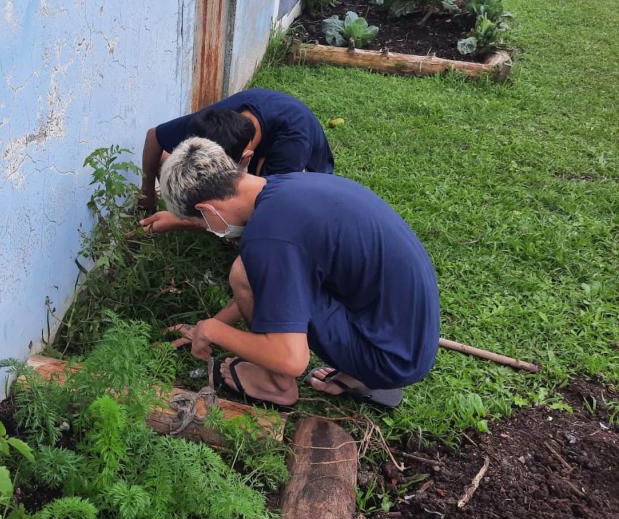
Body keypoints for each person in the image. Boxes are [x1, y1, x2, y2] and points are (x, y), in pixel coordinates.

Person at [163, 138, 440, 408]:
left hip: (391, 359)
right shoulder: (285, 186)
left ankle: (276, 384)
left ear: (206, 209)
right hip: (405, 335)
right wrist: (210, 324)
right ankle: (355, 373)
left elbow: (292, 359)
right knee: (253, 273)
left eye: (199, 221)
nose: (209, 229)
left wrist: (213, 330)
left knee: (243, 273)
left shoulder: (268, 237)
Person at [139, 88, 334, 233]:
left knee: (257, 227)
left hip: (307, 177)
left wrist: (180, 221)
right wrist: (146, 193)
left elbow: (271, 211)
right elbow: (154, 137)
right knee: (168, 162)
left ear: (245, 158)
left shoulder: (291, 145)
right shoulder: (214, 121)